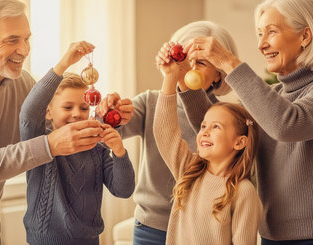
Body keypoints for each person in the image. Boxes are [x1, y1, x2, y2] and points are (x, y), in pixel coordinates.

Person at [180, 0, 313, 244]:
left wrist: (228, 62)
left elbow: (288, 124)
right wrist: (182, 78)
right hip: (272, 237)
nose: (261, 44)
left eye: (271, 31)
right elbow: (221, 133)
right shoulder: (272, 96)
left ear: (305, 36)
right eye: (259, 34)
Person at [0, 0, 103, 244]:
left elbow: (55, 130)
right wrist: (49, 146)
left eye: (27, 39)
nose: (24, 50)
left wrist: (106, 118)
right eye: (12, 40)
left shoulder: (23, 83)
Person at [96, 20, 238, 245]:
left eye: (200, 62)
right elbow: (105, 138)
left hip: (201, 229)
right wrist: (106, 113)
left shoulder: (226, 117)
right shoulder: (150, 102)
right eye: (183, 60)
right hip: (151, 227)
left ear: (218, 75)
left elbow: (206, 125)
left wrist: (180, 82)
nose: (188, 70)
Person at [19, 41, 136, 245]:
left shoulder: (97, 147)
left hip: (89, 240)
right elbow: (29, 112)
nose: (76, 114)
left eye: (83, 108)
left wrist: (119, 151)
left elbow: (124, 190)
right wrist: (63, 64)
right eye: (67, 107)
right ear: (48, 112)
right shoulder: (38, 140)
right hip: (44, 241)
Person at [153, 42, 263, 243]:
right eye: (203, 126)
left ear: (239, 142)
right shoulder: (189, 171)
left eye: (216, 127)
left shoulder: (243, 192)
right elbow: (164, 132)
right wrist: (170, 77)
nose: (204, 132)